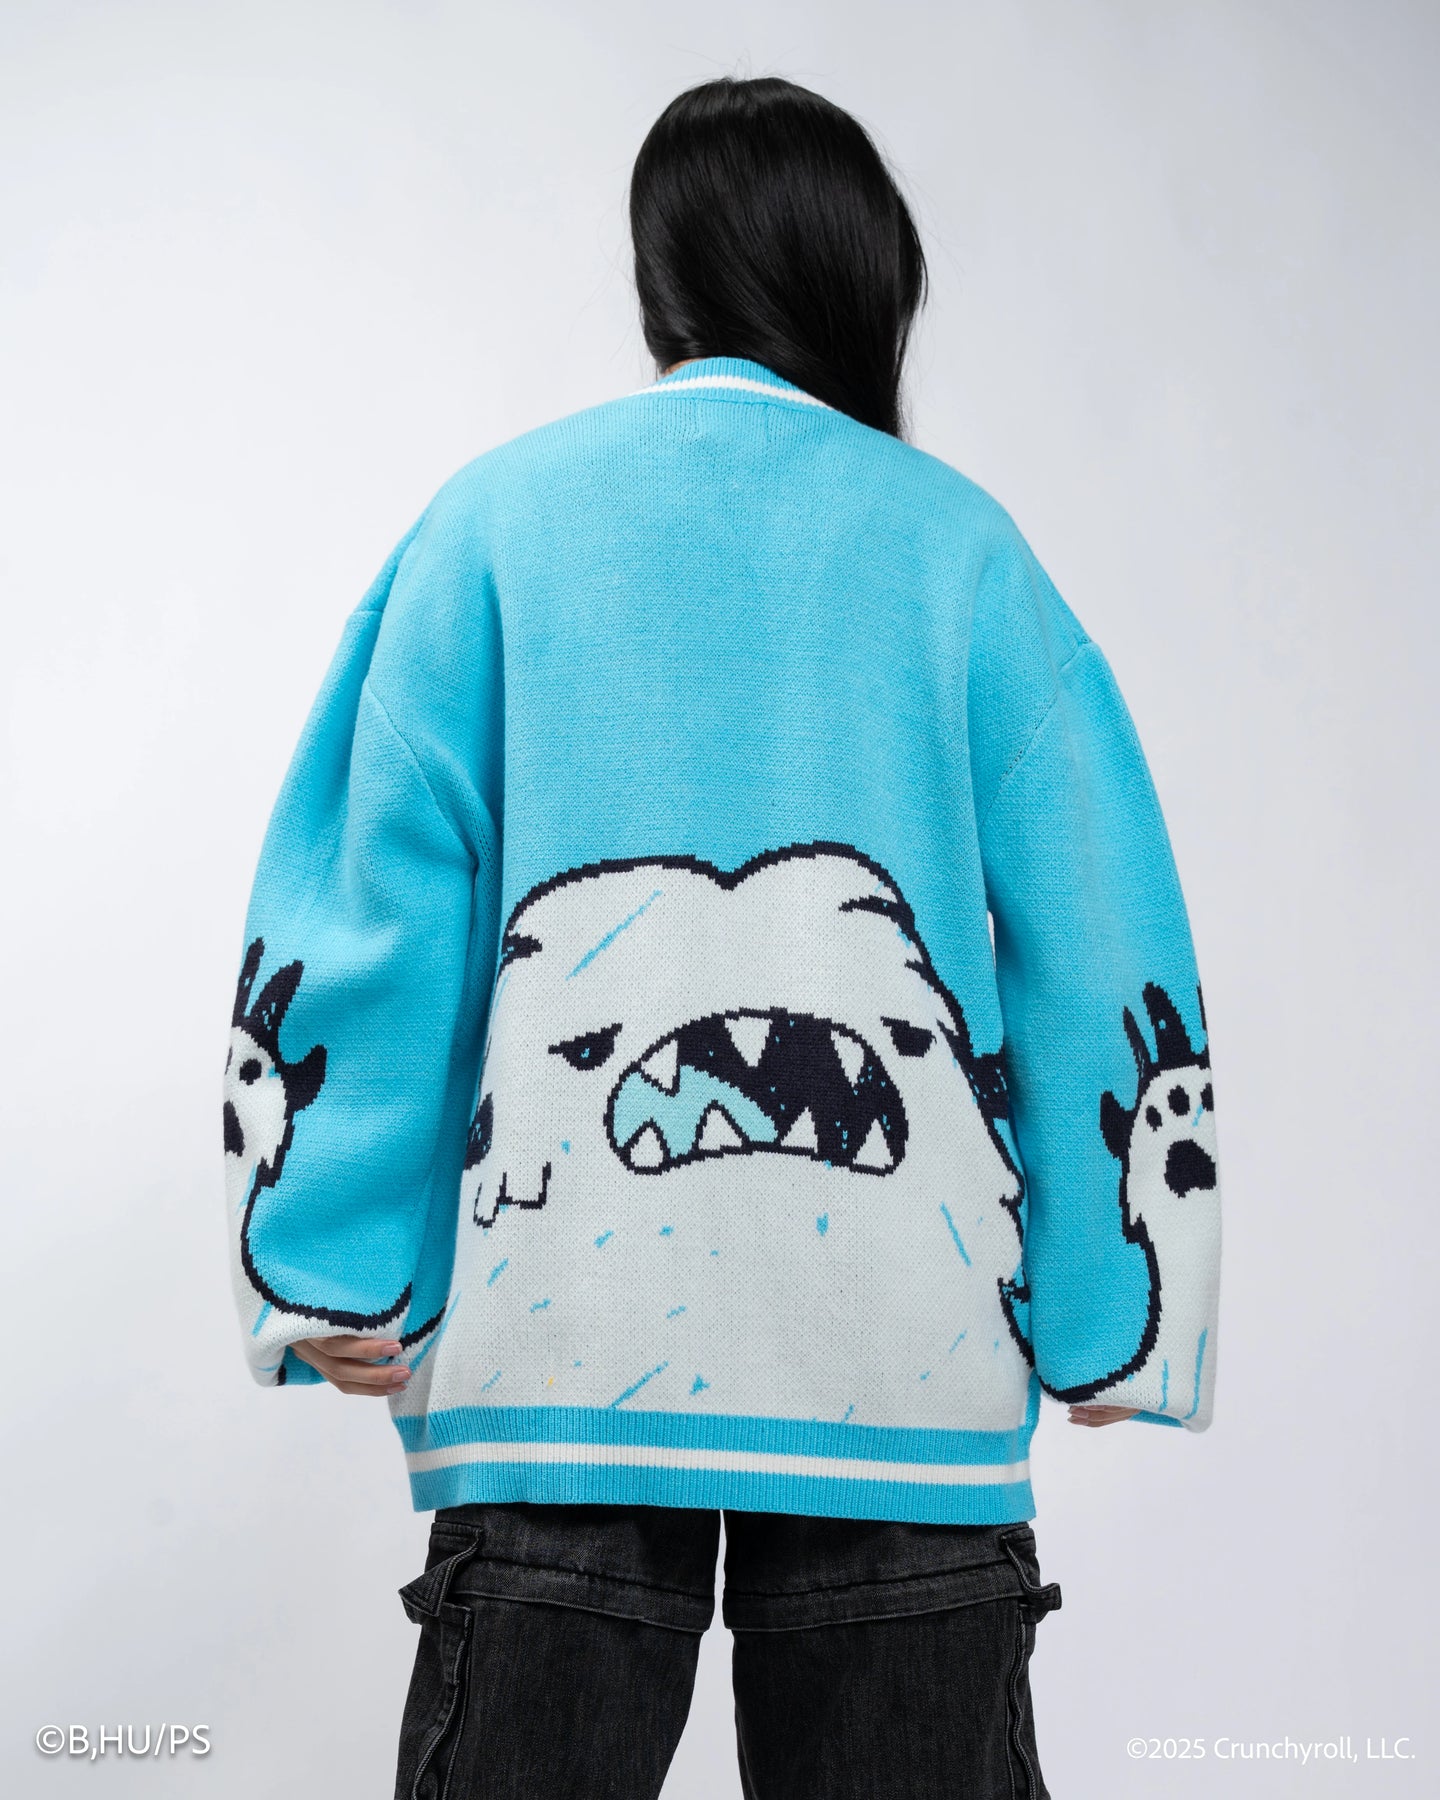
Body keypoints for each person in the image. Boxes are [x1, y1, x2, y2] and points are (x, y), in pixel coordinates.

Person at [223, 74, 1222, 1800]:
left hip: (560, 1366)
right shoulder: (962, 550)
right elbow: (1095, 912)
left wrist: (323, 1256)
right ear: (867, 281)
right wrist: (1117, 1301)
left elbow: (375, 894)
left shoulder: (496, 525)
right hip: (902, 1365)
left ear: (659, 277)